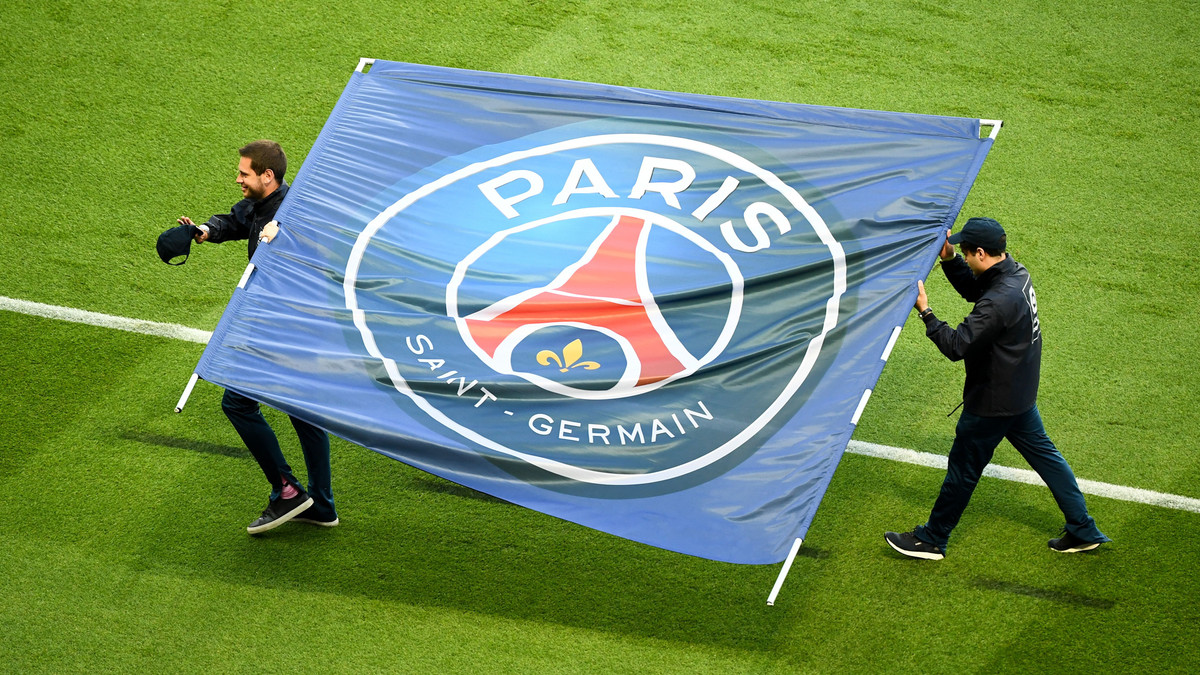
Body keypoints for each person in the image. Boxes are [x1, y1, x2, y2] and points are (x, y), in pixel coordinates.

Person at [885, 217, 1109, 560]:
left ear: (981, 252)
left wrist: (926, 312)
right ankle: (1083, 528)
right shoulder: (1015, 273)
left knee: (963, 471)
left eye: (964, 251)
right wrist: (949, 260)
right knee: (1048, 459)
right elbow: (977, 290)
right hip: (1019, 392)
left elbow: (957, 346)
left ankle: (932, 539)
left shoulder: (999, 301)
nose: (962, 254)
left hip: (992, 402)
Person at [178, 140, 339, 534]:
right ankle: (322, 505)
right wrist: (204, 231)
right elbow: (235, 220)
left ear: (268, 175)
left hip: (288, 323)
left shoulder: (298, 211)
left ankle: (287, 491)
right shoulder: (260, 206)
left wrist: (284, 241)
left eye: (244, 173)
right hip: (290, 324)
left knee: (237, 403)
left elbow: (323, 257)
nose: (238, 179)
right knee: (303, 414)